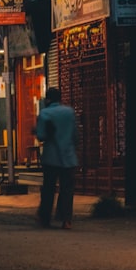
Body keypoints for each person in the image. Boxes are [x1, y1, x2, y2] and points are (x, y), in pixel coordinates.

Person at [35, 87, 78, 229]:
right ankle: (66, 220)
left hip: (51, 157)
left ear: (47, 99)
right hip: (69, 157)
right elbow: (75, 134)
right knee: (67, 189)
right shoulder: (70, 112)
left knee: (48, 189)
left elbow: (41, 135)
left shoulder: (45, 113)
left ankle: (45, 218)